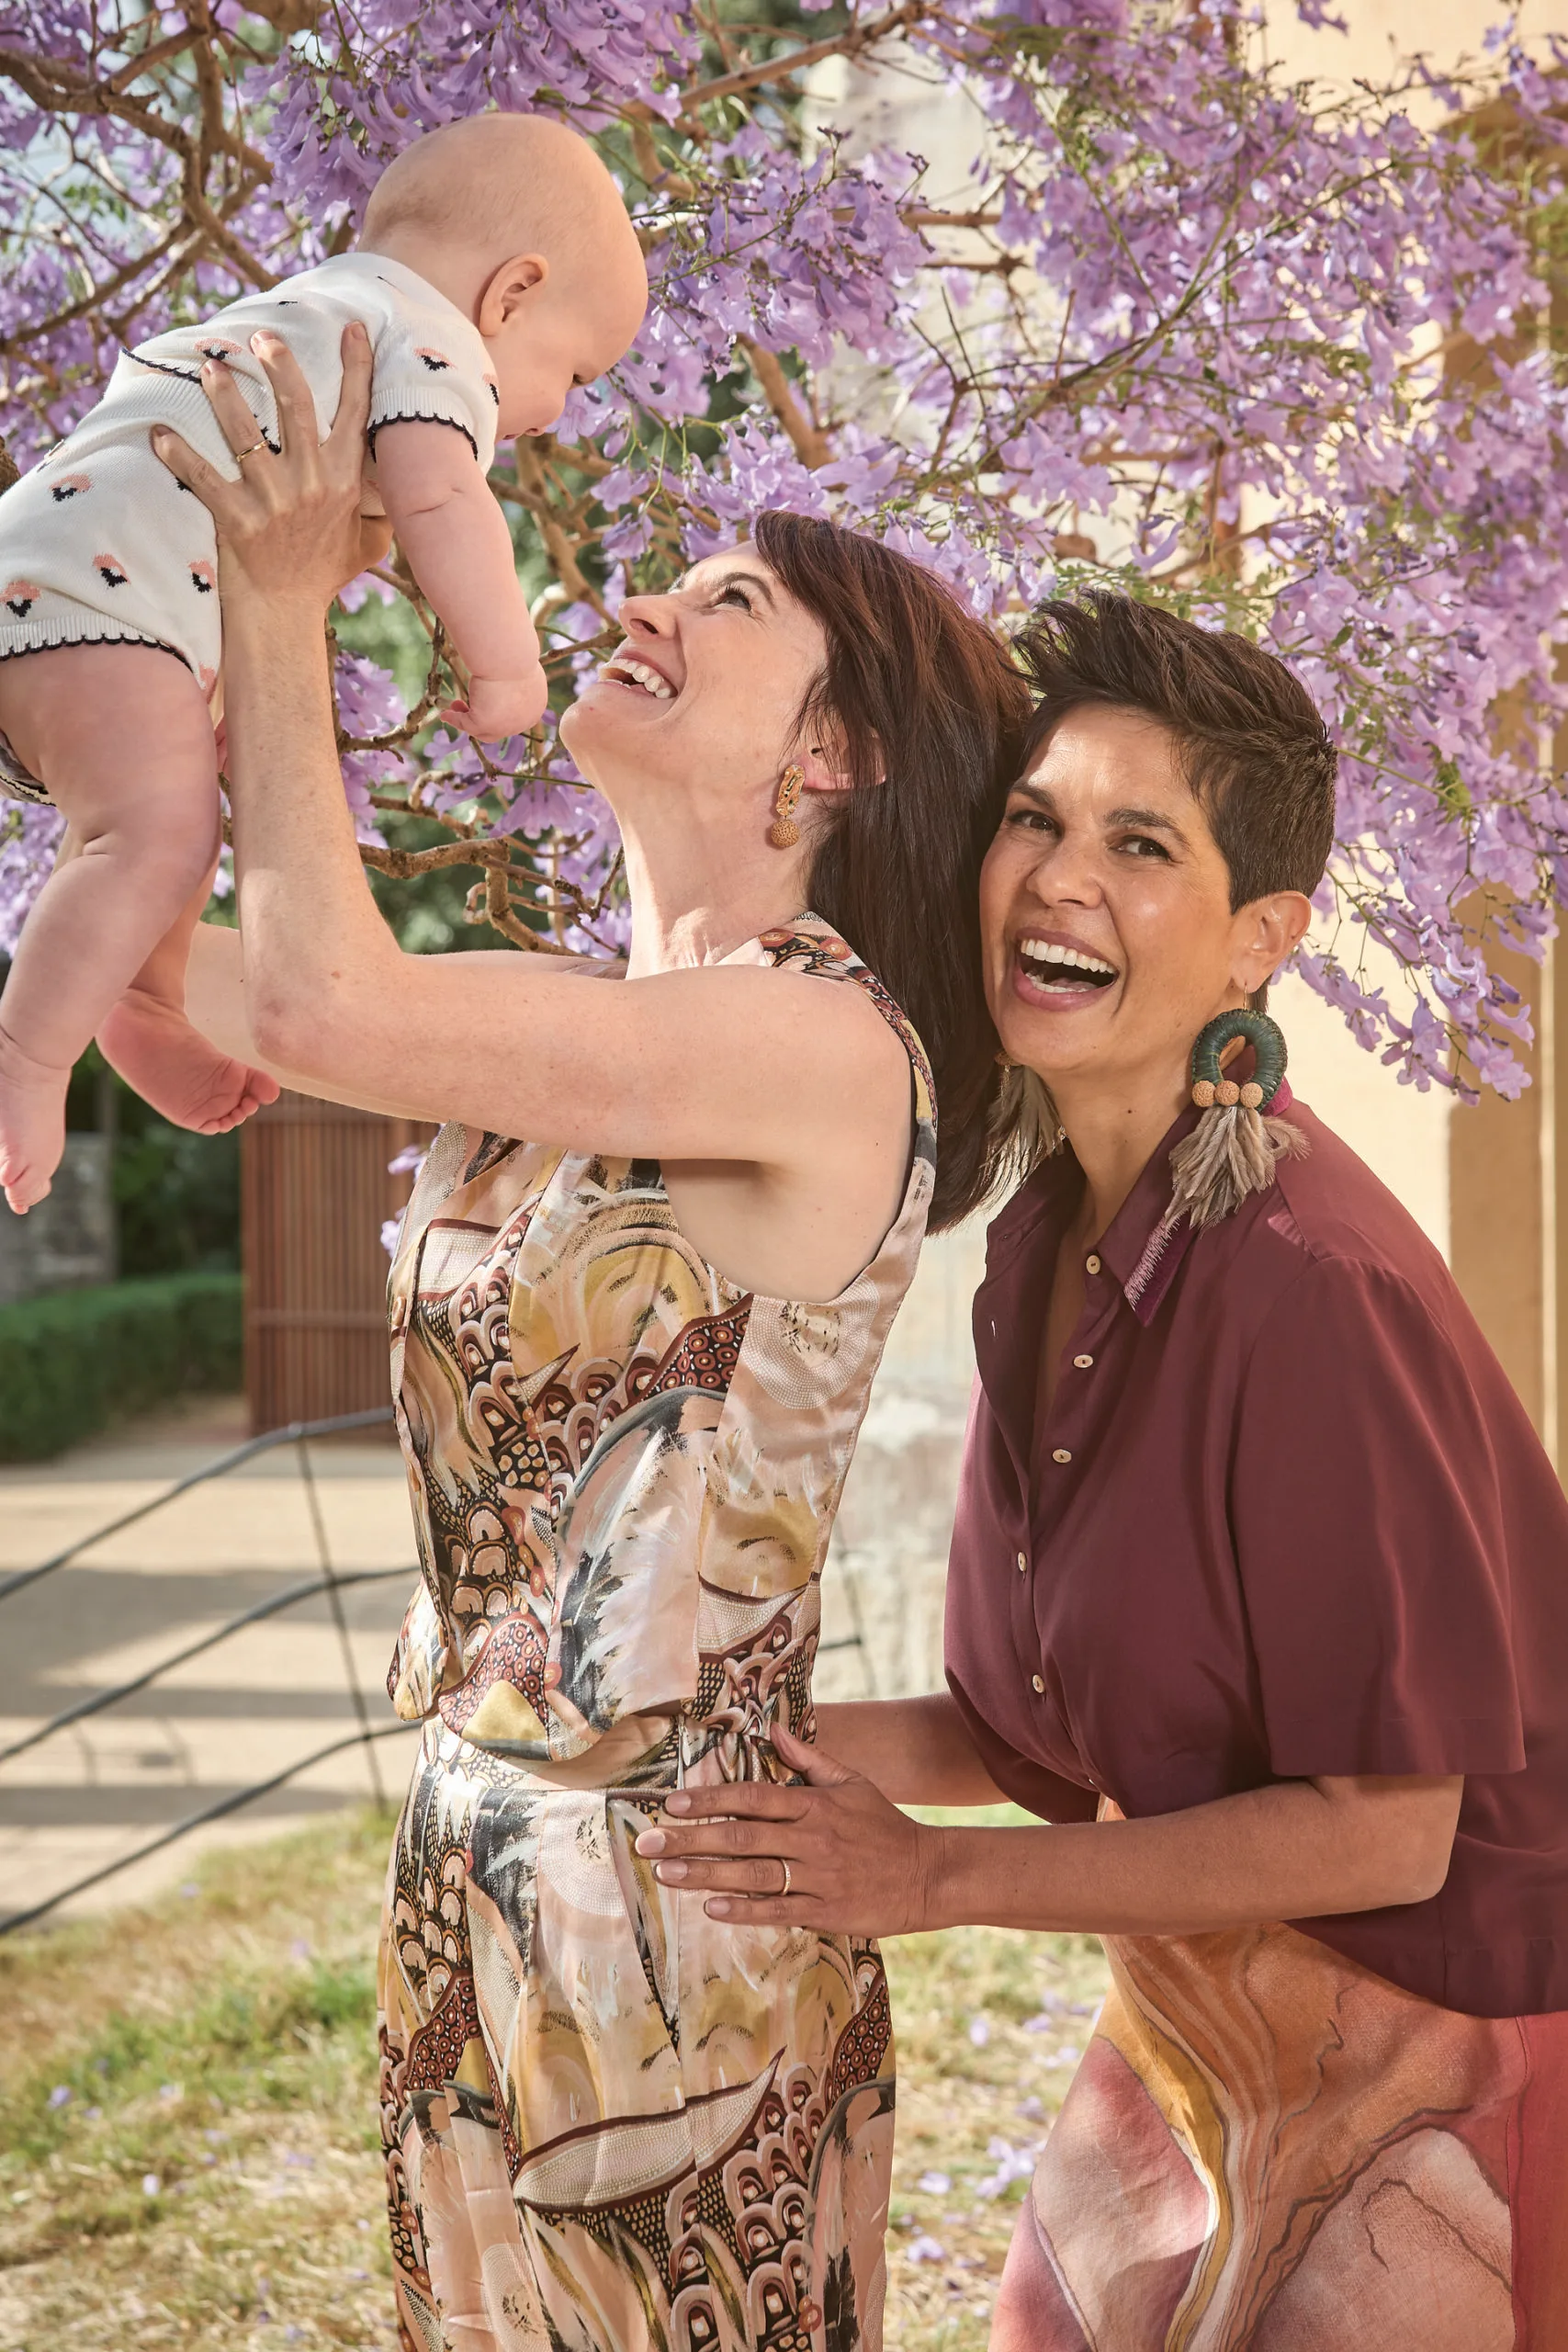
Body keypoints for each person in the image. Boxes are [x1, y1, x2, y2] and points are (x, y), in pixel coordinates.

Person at [153, 326, 1031, 2351]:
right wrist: (130, 696)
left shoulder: (821, 1038)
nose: (644, 605)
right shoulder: (586, 1021)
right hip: (473, 1856)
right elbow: (180, 981)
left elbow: (316, 1005)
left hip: (671, 1916)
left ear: (834, 755)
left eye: (729, 602)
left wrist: (282, 608)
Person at [641, 594, 1568, 2351]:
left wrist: (932, 1882)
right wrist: (693, 1750)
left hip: (1453, 2060)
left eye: (1140, 846)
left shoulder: (1309, 1286)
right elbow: (1042, 1739)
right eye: (1033, 820)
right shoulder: (1043, 1239)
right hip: (1207, 2017)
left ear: (1258, 940)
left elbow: (1385, 1831)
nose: (1058, 879)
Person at [0, 112, 647, 1215]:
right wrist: (506, 668)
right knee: (154, 834)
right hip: (87, 606)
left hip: (74, 591)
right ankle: (24, 1056)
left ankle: (141, 1000)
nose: (558, 413)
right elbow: (444, 504)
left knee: (168, 816)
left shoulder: (316, 307)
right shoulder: (428, 340)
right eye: (576, 371)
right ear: (511, 294)